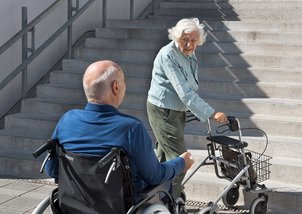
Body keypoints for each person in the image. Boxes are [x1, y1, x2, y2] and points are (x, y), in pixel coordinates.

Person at [44, 60, 194, 204]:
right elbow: (155, 176)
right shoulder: (131, 128)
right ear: (116, 87)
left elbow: (52, 170)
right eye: (123, 82)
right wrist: (181, 163)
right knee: (164, 185)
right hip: (121, 205)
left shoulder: (67, 120)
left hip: (75, 204)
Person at [146, 18, 228, 199]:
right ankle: (171, 200)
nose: (190, 44)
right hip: (164, 110)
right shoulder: (168, 55)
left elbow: (190, 88)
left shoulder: (189, 53)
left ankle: (153, 197)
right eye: (185, 39)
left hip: (177, 110)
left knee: (163, 157)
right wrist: (212, 113)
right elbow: (186, 93)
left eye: (193, 41)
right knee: (181, 160)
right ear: (177, 37)